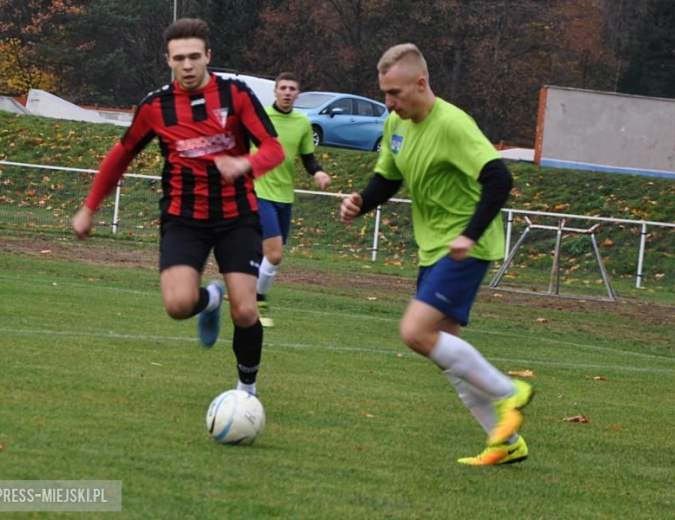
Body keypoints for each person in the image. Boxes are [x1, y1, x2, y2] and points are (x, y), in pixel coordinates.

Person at [340, 43, 533, 466]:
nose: (388, 102)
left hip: (465, 249)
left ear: (421, 83)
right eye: (385, 93)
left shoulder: (453, 125)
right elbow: (388, 179)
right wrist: (361, 202)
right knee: (448, 356)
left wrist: (469, 235)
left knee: (414, 332)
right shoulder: (396, 124)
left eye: (395, 93)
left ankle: (509, 392)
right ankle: (505, 442)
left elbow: (500, 179)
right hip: (434, 249)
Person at [72, 18, 284, 396]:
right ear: (168, 60)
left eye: (194, 57)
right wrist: (90, 208)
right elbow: (121, 156)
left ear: (208, 57)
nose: (187, 65)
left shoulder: (235, 94)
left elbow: (273, 148)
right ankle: (211, 298)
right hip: (183, 219)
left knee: (247, 311)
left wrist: (244, 164)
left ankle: (245, 392)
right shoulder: (155, 107)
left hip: (237, 216)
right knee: (177, 304)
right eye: (179, 58)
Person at [254, 72, 332, 327]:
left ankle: (245, 290)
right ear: (275, 92)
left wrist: (318, 172)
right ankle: (259, 299)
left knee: (269, 254)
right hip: (257, 192)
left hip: (284, 197)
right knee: (274, 255)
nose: (287, 92)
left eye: (292, 88)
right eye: (283, 88)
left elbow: (308, 158)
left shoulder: (302, 122)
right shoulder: (259, 117)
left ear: (298, 94)